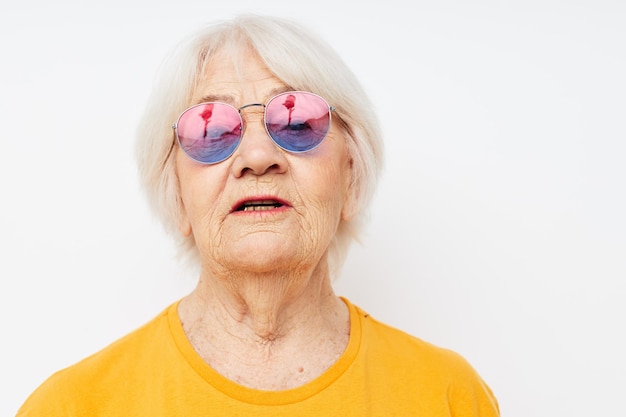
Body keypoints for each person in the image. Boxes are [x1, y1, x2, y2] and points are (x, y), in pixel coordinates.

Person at [16, 14, 500, 416]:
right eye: (211, 129)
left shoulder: (448, 397)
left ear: (350, 176)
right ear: (178, 194)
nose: (256, 156)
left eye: (296, 119)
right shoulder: (72, 406)